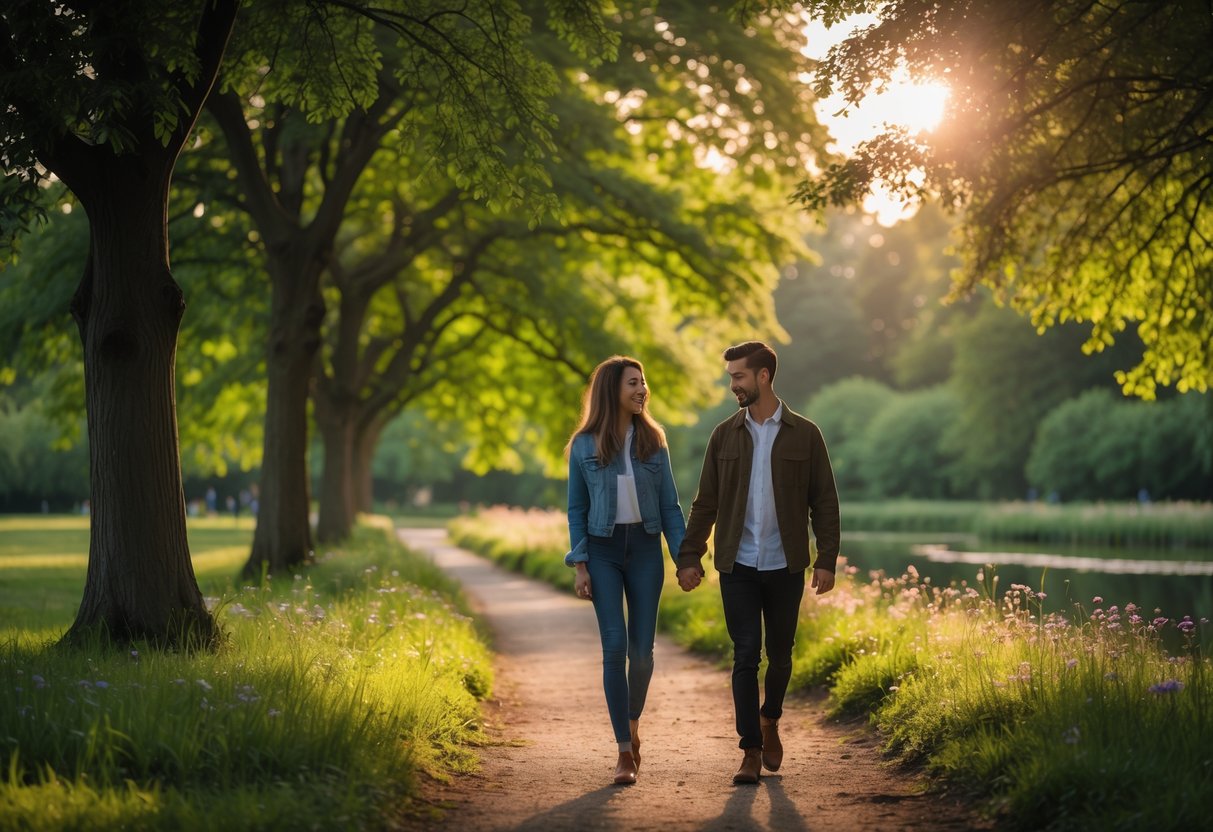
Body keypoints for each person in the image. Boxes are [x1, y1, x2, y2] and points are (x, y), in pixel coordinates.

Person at [676, 341, 841, 785]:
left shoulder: (805, 434)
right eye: (731, 376)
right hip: (738, 563)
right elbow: (704, 502)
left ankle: (770, 718)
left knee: (781, 655)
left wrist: (826, 559)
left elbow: (824, 502)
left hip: (786, 563)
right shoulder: (723, 435)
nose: (733, 384)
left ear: (763, 376)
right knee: (746, 654)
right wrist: (690, 554)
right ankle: (749, 749)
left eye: (738, 376)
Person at [565, 355, 687, 786]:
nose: (642, 389)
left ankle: (633, 724)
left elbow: (671, 506)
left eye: (643, 382)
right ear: (611, 390)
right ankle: (622, 751)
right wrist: (580, 564)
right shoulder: (584, 445)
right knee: (614, 647)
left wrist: (684, 557)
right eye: (633, 383)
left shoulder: (654, 440)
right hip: (602, 550)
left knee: (642, 652)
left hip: (646, 551)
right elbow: (576, 509)